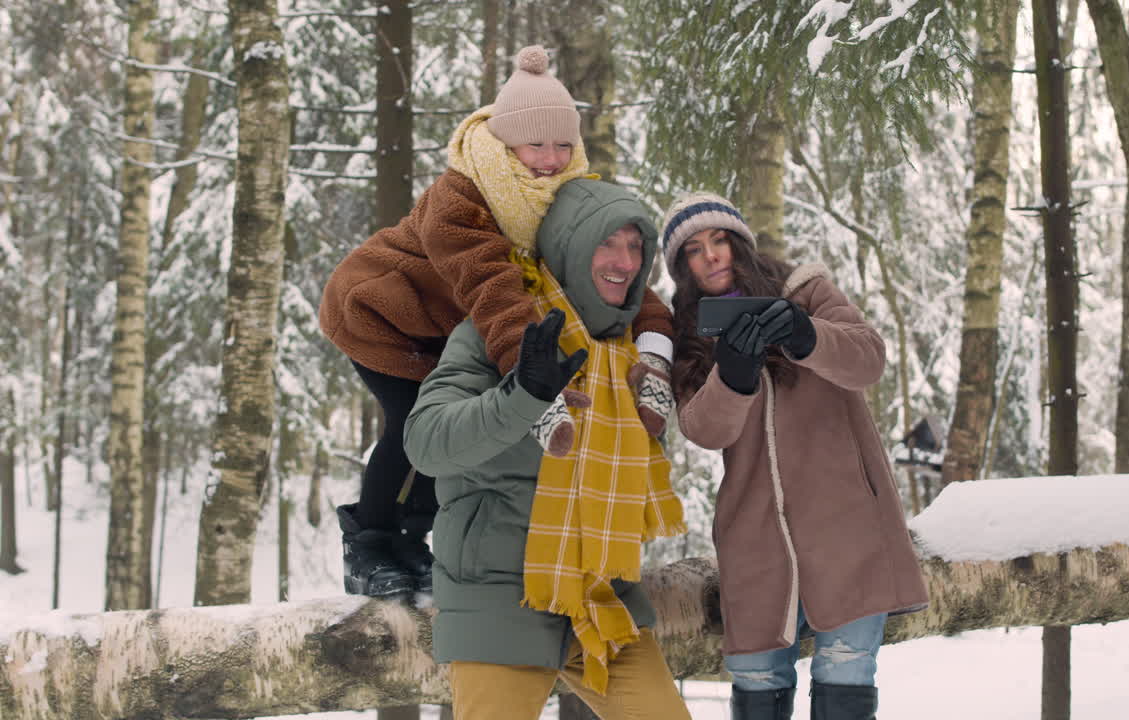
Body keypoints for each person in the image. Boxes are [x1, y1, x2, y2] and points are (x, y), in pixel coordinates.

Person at [318, 46, 675, 597]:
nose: (551, 158)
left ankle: (412, 539)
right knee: (415, 421)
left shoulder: (561, 194)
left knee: (453, 417)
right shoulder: (460, 198)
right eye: (536, 144)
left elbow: (613, 261)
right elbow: (494, 291)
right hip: (380, 314)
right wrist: (534, 381)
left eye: (563, 144)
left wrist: (655, 348)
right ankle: (369, 544)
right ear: (507, 141)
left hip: (445, 326)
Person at [403, 179, 691, 719]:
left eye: (635, 246)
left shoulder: (637, 352)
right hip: (498, 597)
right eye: (607, 242)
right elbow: (427, 443)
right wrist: (525, 395)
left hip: (604, 598)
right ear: (569, 246)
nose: (624, 260)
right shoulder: (496, 333)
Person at [660, 192, 929, 720]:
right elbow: (703, 430)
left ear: (740, 245)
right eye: (694, 250)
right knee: (758, 678)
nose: (712, 255)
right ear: (684, 270)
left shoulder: (806, 292)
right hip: (755, 541)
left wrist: (807, 335)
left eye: (719, 240)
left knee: (846, 672)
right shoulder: (688, 337)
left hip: (846, 529)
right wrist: (732, 374)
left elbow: (868, 360)